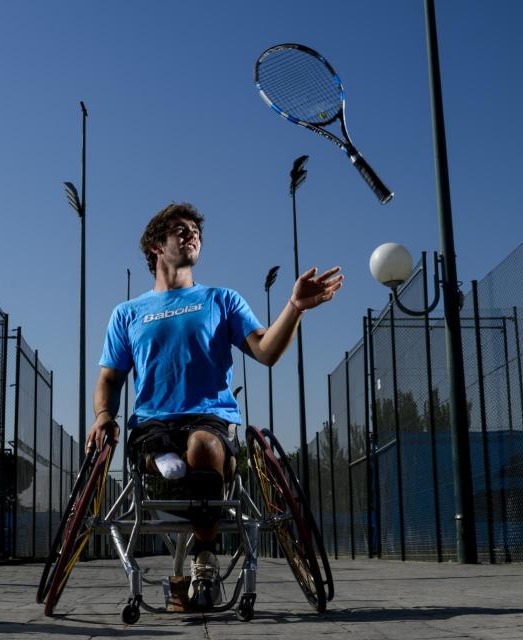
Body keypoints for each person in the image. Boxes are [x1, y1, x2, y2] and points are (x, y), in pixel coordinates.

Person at [85, 202, 343, 608]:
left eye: (196, 232)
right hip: (154, 421)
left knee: (202, 448)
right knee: (166, 453)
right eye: (180, 230)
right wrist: (103, 416)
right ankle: (164, 458)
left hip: (210, 417)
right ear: (156, 245)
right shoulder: (128, 313)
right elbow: (109, 379)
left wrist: (294, 308)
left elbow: (266, 351)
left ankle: (203, 555)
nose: (192, 235)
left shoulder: (221, 300)